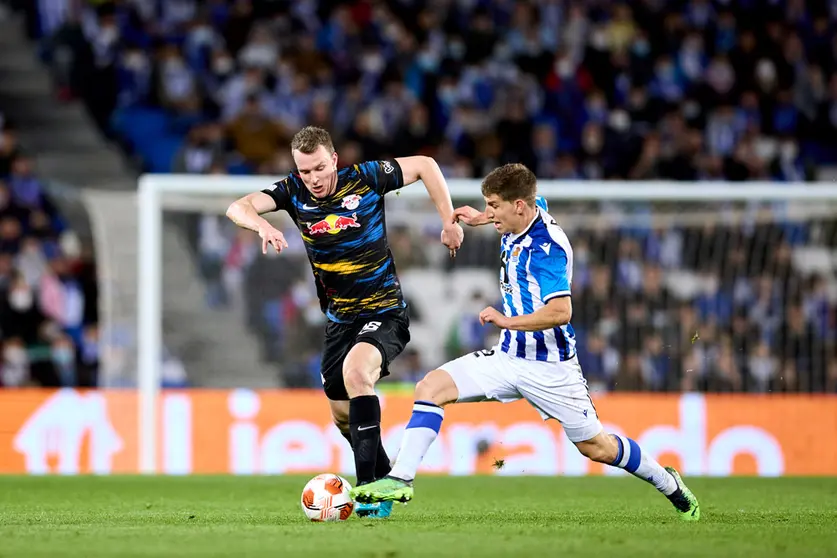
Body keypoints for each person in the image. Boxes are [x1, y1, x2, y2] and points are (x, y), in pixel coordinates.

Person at [350, 163, 700, 521]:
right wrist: (479, 219)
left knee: (597, 447)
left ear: (518, 206)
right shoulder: (530, 209)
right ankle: (400, 479)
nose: (490, 212)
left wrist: (506, 321)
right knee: (430, 387)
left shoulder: (546, 249)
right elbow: (532, 201)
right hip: (507, 357)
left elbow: (561, 311)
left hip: (551, 368)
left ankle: (667, 482)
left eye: (494, 206)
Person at [226, 126, 464, 518]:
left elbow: (425, 165)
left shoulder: (366, 178)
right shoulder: (292, 192)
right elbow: (238, 206)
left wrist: (447, 220)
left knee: (357, 375)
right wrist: (263, 225)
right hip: (339, 321)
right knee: (342, 415)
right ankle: (386, 475)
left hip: (384, 310)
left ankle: (369, 492)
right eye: (305, 172)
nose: (314, 179)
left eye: (319, 168)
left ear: (334, 159)